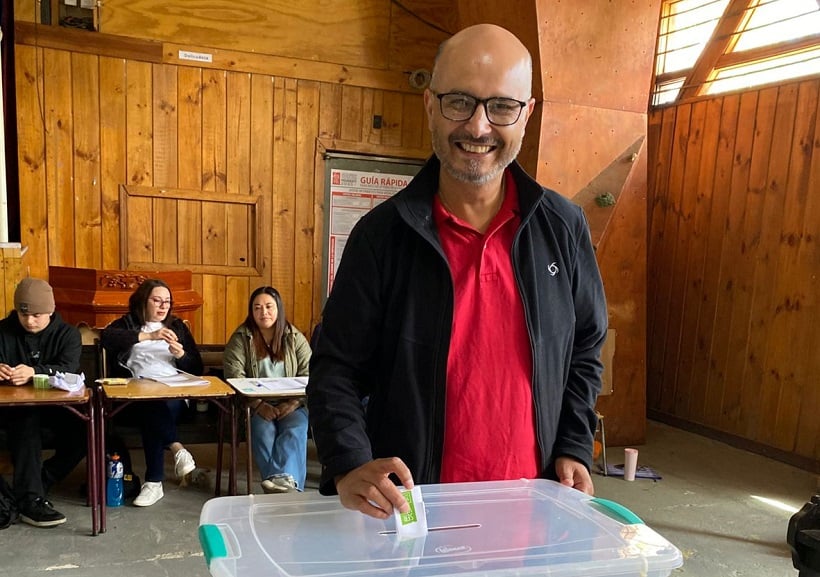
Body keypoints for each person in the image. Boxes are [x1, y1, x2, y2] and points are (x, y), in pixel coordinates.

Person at [307, 23, 608, 519]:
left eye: (502, 106)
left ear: (526, 114)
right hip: (414, 516)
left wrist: (574, 443)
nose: (478, 126)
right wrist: (348, 462)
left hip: (534, 509)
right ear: (430, 104)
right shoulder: (381, 237)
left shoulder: (564, 227)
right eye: (459, 102)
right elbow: (336, 366)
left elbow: (585, 348)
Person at [100, 278, 202, 506]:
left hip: (174, 392)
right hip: (136, 395)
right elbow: (107, 339)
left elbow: (197, 366)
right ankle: (177, 449)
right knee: (149, 401)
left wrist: (181, 355)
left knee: (154, 406)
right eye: (157, 300)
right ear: (143, 302)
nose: (163, 306)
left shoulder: (178, 327)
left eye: (167, 301)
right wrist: (149, 336)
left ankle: (154, 483)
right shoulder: (127, 324)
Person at [0, 277, 85, 527]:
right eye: (23, 315)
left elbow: (68, 370)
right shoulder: (3, 331)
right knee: (26, 421)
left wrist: (35, 372)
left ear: (51, 310)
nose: (29, 321)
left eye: (37, 315)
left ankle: (40, 481)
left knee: (87, 430)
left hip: (56, 410)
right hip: (12, 412)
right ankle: (30, 499)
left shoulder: (68, 335)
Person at [223, 286, 311, 493]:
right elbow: (233, 374)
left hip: (293, 403)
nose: (264, 312)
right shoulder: (241, 338)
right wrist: (258, 405)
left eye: (269, 307)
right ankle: (285, 484)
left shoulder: (294, 337)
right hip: (255, 404)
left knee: (295, 428)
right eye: (258, 308)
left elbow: (311, 372)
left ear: (278, 308)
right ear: (251, 312)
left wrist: (295, 403)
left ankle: (280, 482)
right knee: (263, 432)